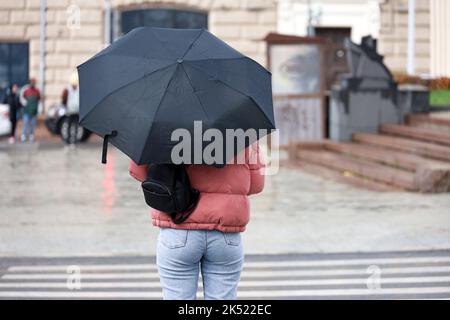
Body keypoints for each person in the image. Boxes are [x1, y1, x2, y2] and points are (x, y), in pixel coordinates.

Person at [129, 144, 265, 300]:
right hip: (225, 234)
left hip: (178, 227)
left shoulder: (161, 127)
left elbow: (138, 172)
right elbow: (256, 185)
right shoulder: (243, 130)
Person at [61, 72, 80, 144]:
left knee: (75, 126)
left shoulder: (78, 90)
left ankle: (74, 139)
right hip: (69, 111)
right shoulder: (67, 90)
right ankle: (68, 139)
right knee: (69, 125)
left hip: (76, 111)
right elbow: (63, 99)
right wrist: (65, 107)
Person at [19, 78, 41, 143]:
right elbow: (22, 99)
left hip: (34, 112)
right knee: (25, 124)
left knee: (33, 125)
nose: (32, 84)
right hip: (27, 111)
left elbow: (39, 99)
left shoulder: (37, 91)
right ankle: (24, 136)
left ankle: (31, 136)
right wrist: (24, 104)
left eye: (33, 82)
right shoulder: (26, 90)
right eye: (31, 82)